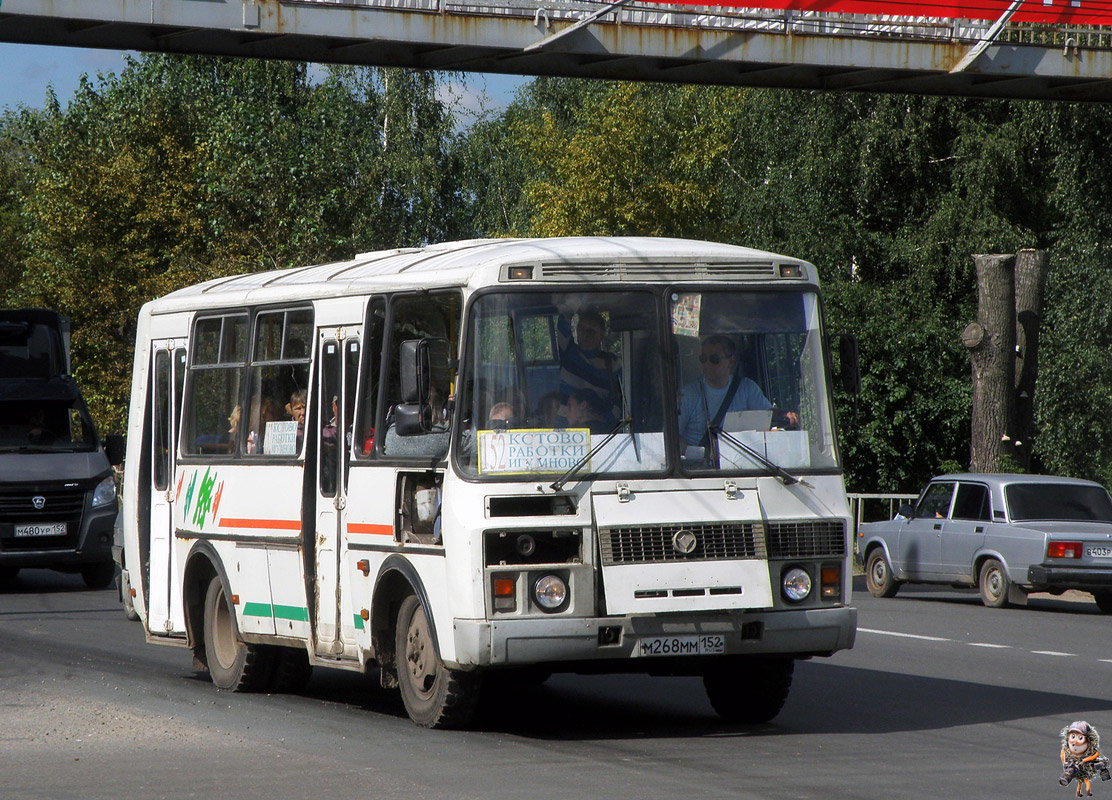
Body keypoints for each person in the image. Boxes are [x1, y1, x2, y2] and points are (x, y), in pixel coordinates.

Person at [677, 335, 797, 448]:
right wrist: (695, 454)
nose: (707, 364)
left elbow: (769, 415)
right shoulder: (688, 395)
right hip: (700, 468)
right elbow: (671, 438)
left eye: (714, 359)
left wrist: (785, 415)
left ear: (730, 362)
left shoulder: (747, 388)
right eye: (703, 359)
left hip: (741, 463)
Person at [557, 309, 620, 423]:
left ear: (601, 335)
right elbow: (564, 317)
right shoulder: (567, 351)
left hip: (601, 431)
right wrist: (579, 301)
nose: (585, 334)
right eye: (581, 330)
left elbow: (622, 399)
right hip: (566, 425)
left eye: (591, 331)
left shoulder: (612, 363)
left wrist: (604, 419)